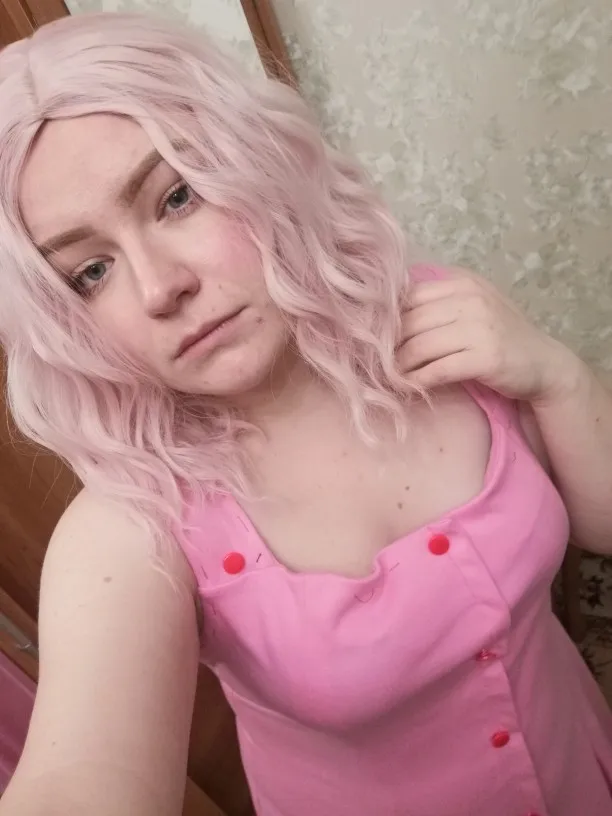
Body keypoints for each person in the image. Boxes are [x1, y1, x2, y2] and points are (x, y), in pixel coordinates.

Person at [0, 11, 611, 816]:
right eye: (90, 272)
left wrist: (559, 377)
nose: (159, 287)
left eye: (177, 197)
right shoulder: (137, 520)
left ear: (254, 162)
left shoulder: (433, 315)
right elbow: (79, 779)